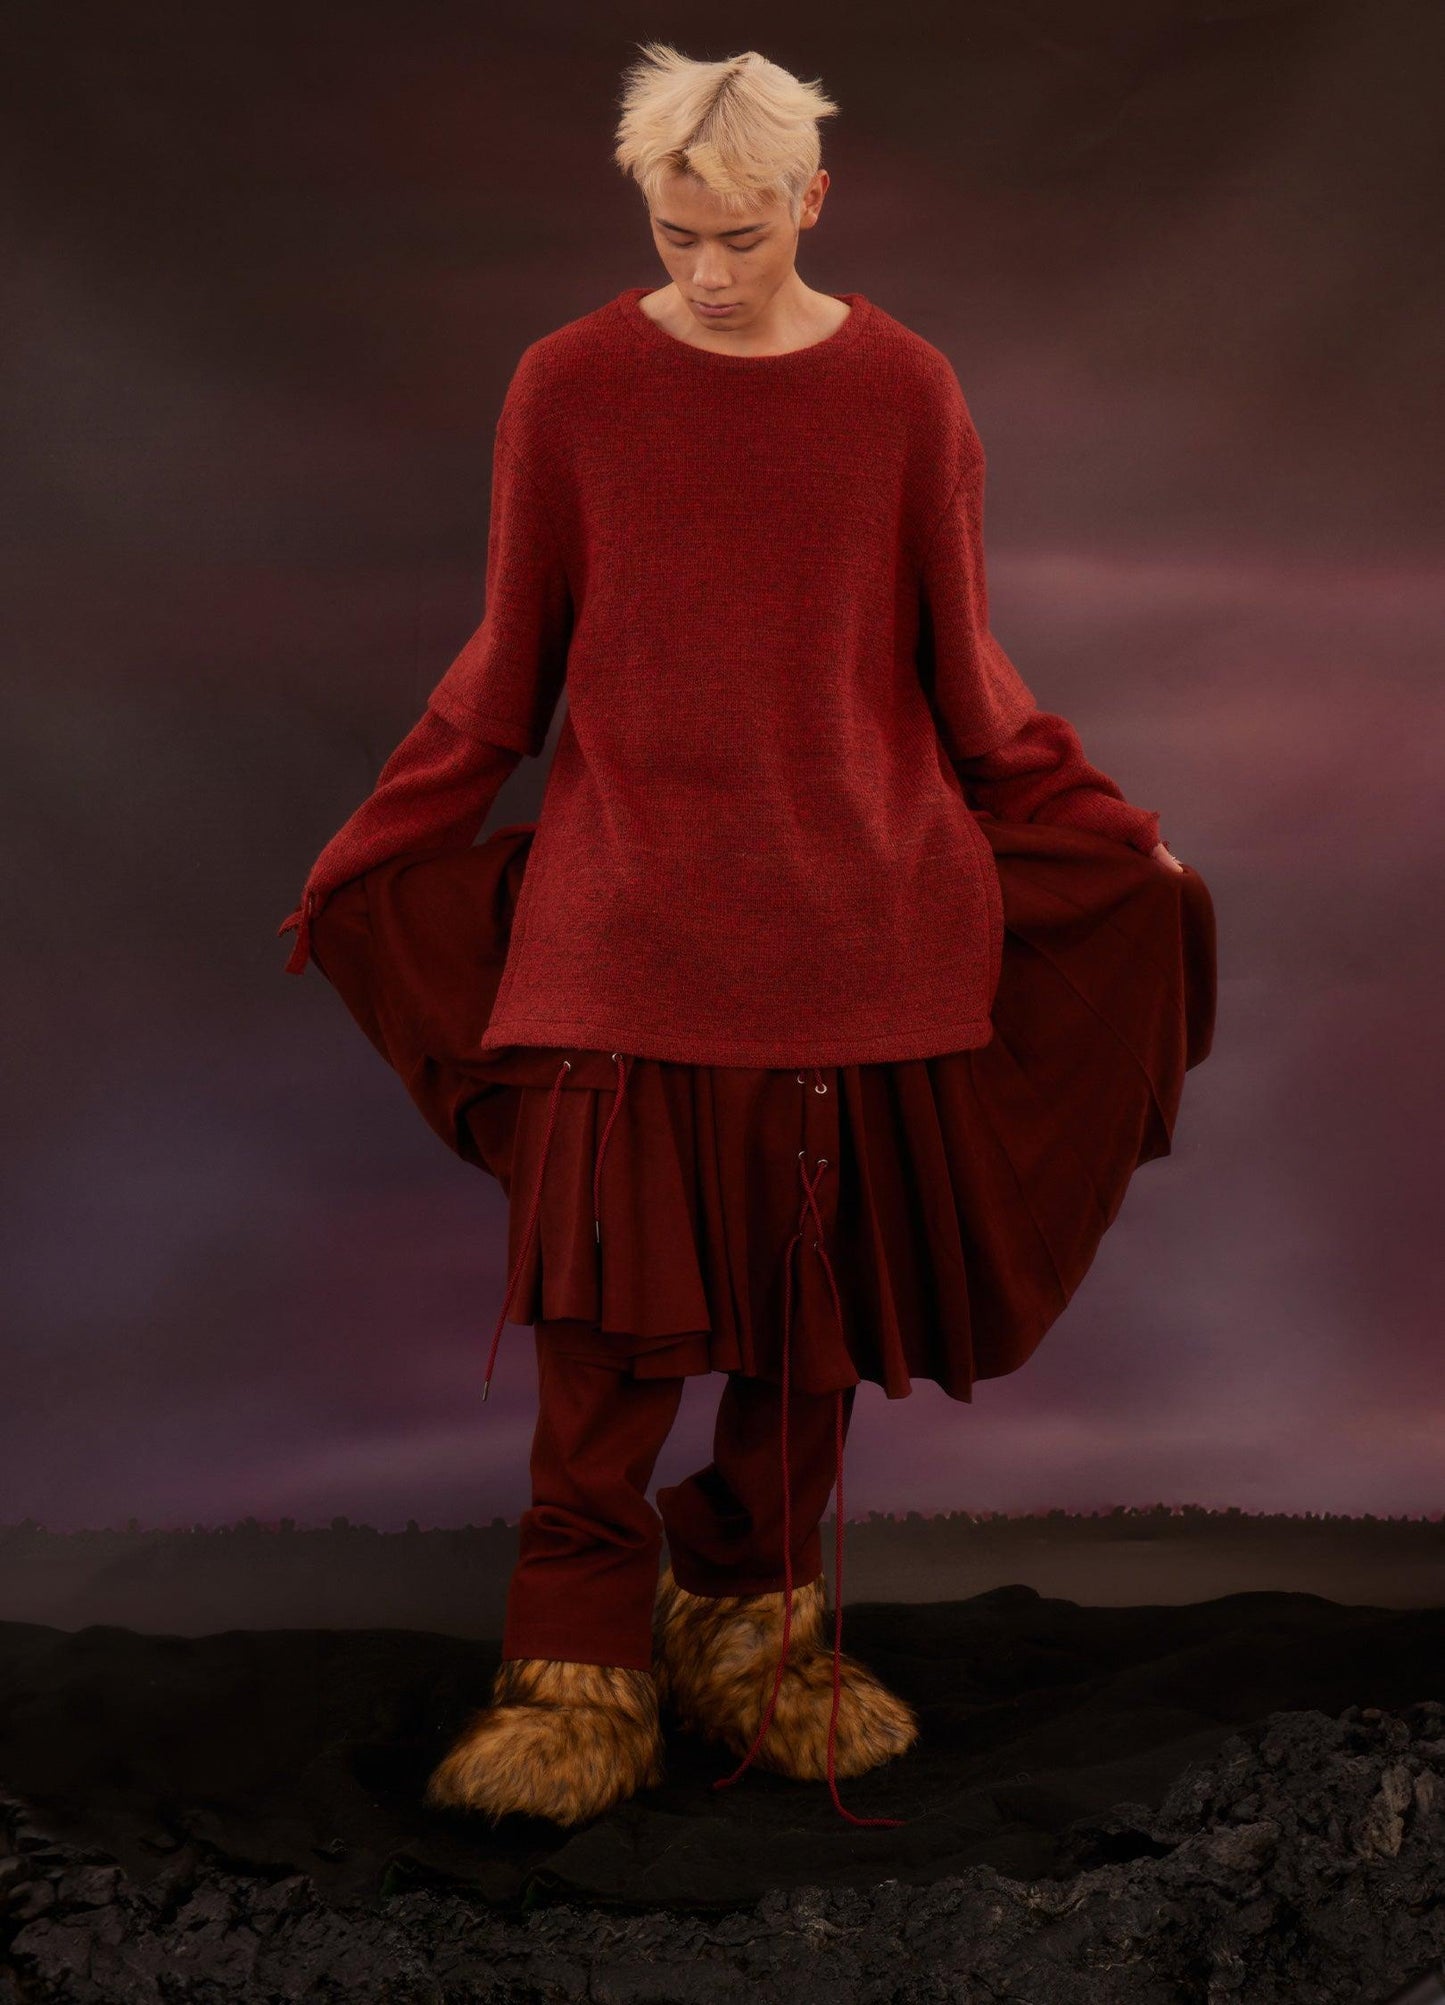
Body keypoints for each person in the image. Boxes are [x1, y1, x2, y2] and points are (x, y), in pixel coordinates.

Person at [277, 42, 1212, 1834]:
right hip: (627, 923)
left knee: (806, 1338)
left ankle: (753, 1634)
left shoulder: (906, 391)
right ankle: (572, 1681)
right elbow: (502, 673)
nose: (705, 273)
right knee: (602, 1347)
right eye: (673, 233)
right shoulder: (566, 383)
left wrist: (1109, 828)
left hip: (857, 926)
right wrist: (363, 853)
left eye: (741, 234)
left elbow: (966, 676)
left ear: (812, 200)